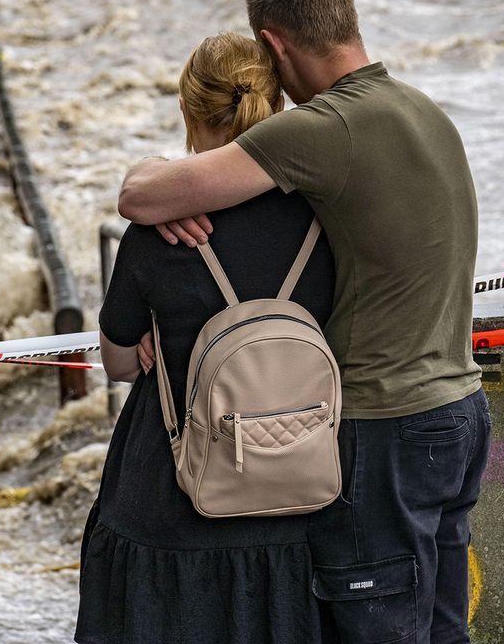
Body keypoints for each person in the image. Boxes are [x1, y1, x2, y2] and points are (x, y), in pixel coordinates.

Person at [116, 0, 491, 644]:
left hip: (386, 429)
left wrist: (161, 187)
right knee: (443, 632)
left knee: (375, 630)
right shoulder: (420, 109)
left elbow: (140, 197)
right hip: (460, 412)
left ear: (273, 46)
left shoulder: (320, 129)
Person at [76, 32, 336, 643]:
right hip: (295, 506)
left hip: (168, 503)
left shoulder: (160, 228)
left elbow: (117, 362)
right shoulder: (329, 219)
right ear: (274, 107)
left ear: (190, 112)